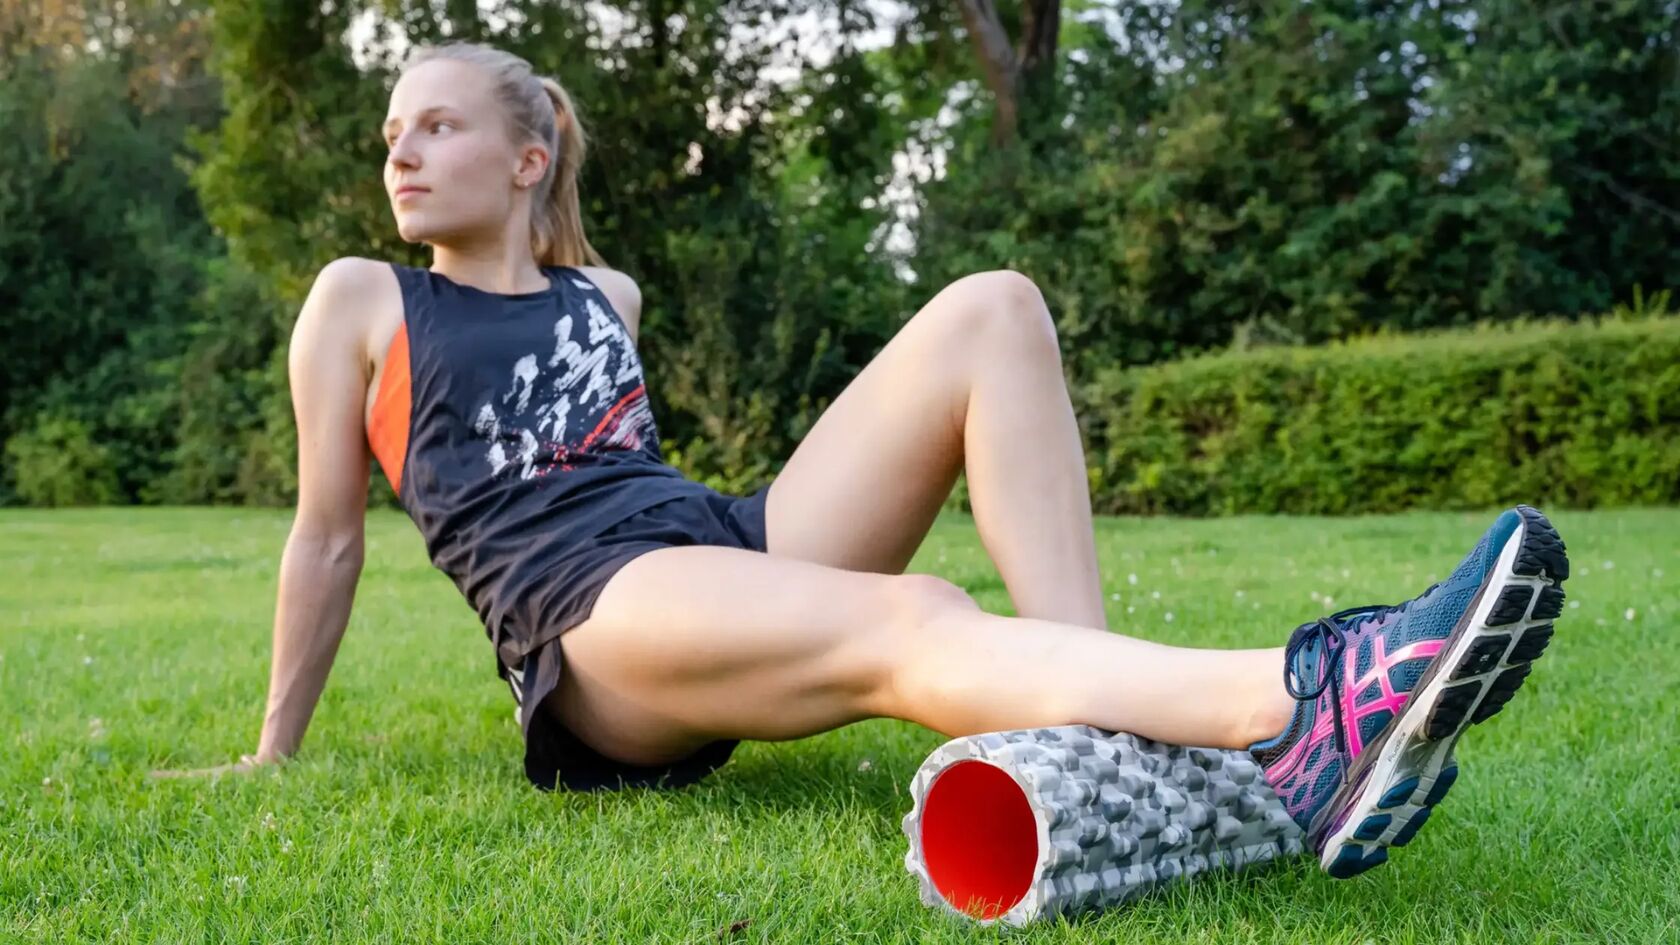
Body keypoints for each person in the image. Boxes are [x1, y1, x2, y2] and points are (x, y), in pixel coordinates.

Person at [151, 41, 1569, 881]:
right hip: (592, 618)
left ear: (529, 159)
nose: (401, 151)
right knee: (914, 617)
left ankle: (1093, 749)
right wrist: (272, 753)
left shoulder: (613, 295)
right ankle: (1315, 702)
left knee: (994, 308)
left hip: (714, 542)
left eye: (438, 125)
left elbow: (644, 457)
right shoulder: (360, 302)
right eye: (394, 132)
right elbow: (327, 537)